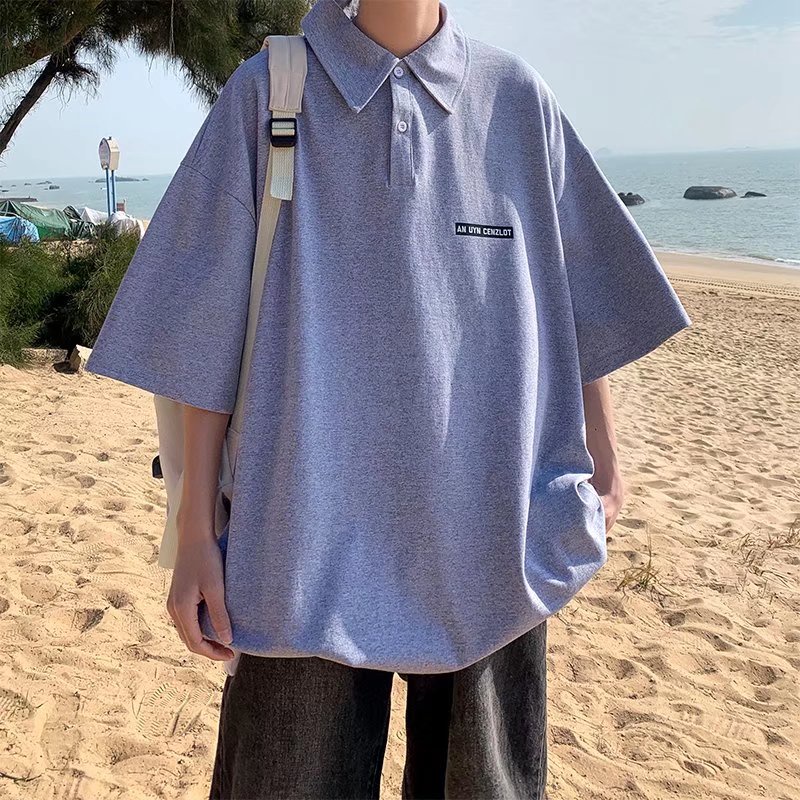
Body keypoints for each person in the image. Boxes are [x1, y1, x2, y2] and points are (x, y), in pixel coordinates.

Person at [85, 0, 692, 797]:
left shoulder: (515, 99)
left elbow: (576, 292)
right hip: (298, 536)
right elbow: (206, 329)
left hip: (491, 530)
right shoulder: (268, 92)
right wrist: (196, 529)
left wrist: (603, 457)